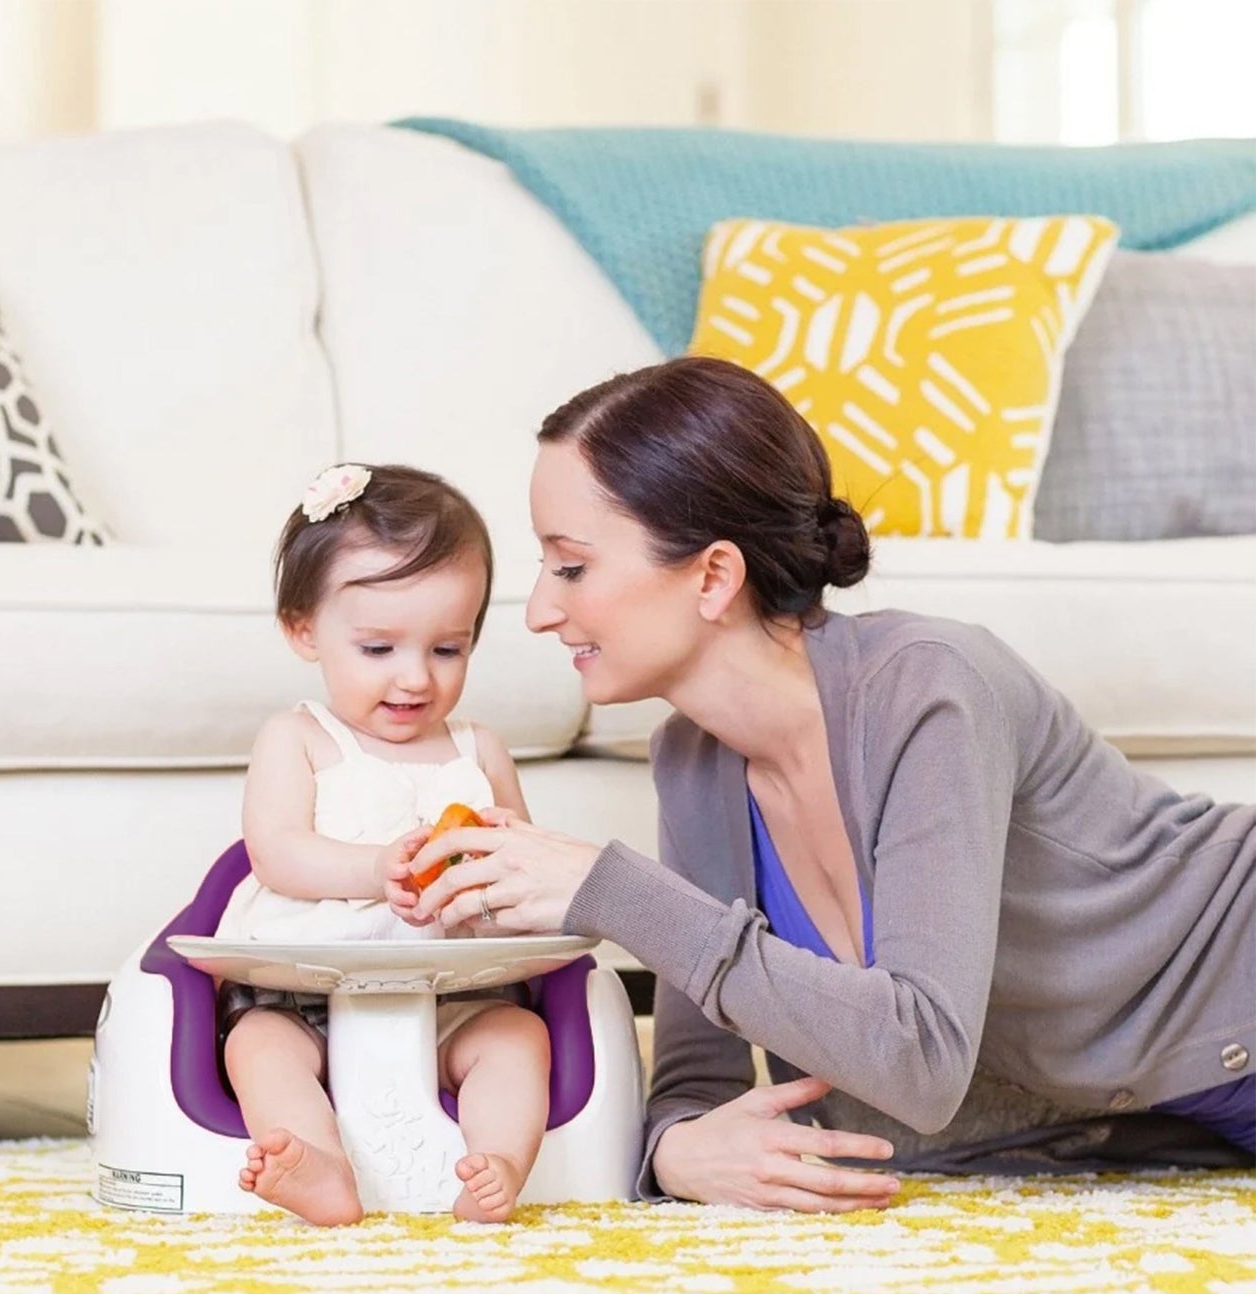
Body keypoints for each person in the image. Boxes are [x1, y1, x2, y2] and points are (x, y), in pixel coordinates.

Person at [409, 355, 1256, 1212]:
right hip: (1183, 1111)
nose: (539, 611)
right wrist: (675, 1150)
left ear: (712, 575)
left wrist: (611, 891)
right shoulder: (694, 763)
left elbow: (919, 1060)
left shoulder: (927, 686)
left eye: (571, 567)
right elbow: (695, 1078)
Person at [216, 462, 550, 1227]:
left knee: (516, 1037)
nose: (414, 678)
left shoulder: (479, 749)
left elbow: (523, 870)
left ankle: (497, 1160)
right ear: (304, 629)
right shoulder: (299, 736)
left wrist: (489, 881)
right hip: (302, 994)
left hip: (454, 998)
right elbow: (276, 851)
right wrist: (373, 867)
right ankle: (317, 1162)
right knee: (259, 1046)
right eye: (377, 649)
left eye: (446, 648)